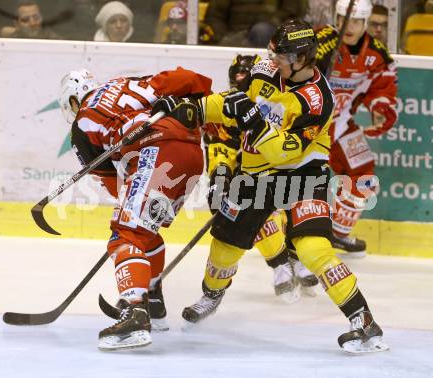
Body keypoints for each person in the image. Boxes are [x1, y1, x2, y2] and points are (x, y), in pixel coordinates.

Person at [154, 18, 388, 354]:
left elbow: (283, 150)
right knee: (225, 243)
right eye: (273, 53)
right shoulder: (265, 68)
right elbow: (231, 102)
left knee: (312, 249)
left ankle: (363, 321)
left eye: (281, 56)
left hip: (302, 177)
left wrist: (251, 117)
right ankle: (211, 295)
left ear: (303, 58)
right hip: (254, 174)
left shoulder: (317, 100)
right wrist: (189, 108)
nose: (273, 60)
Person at [59, 67, 212, 350]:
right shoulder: (127, 84)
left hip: (156, 152)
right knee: (144, 232)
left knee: (125, 236)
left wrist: (128, 208)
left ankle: (134, 313)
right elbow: (192, 79)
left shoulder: (82, 125)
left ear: (72, 100)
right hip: (191, 154)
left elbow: (113, 185)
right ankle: (152, 304)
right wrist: (203, 107)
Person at [204, 54, 319, 303]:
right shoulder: (228, 107)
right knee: (256, 210)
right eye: (237, 85)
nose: (242, 91)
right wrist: (219, 179)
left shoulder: (279, 104)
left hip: (282, 171)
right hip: (248, 179)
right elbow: (219, 151)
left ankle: (295, 257)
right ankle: (280, 265)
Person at [315, 0, 398, 257]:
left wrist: (380, 111)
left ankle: (337, 234)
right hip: (308, 127)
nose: (348, 26)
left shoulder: (377, 55)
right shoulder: (319, 39)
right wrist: (313, 60)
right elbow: (285, 67)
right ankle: (290, 231)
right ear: (336, 18)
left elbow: (382, 88)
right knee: (300, 181)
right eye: (344, 20)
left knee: (364, 176)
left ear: (366, 23)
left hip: (339, 126)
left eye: (355, 21)